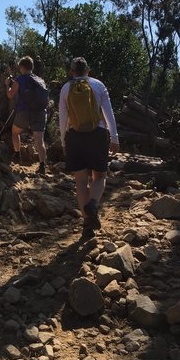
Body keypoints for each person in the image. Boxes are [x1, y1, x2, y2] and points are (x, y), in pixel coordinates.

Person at [58, 57, 119, 237]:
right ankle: (93, 203)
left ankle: (87, 224)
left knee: (80, 181)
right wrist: (114, 137)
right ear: (88, 70)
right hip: (97, 134)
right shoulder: (98, 85)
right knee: (99, 176)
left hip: (75, 136)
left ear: (72, 72)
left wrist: (63, 141)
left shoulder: (65, 88)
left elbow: (63, 119)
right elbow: (109, 114)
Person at [6, 56, 48, 175]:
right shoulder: (40, 80)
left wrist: (7, 85)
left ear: (22, 67)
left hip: (24, 112)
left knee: (15, 132)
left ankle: (17, 154)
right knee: (39, 140)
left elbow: (10, 95)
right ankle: (42, 166)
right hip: (40, 112)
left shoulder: (20, 80)